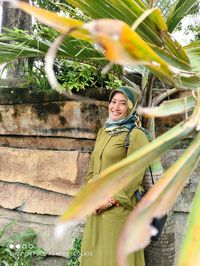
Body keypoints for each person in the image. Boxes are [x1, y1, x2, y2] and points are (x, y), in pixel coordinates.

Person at [80, 86, 149, 266]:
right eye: (113, 102)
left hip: (118, 210)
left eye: (122, 103)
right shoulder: (104, 132)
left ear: (131, 108)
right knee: (94, 258)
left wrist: (110, 201)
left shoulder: (136, 135)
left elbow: (134, 175)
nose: (116, 107)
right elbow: (92, 167)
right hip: (96, 207)